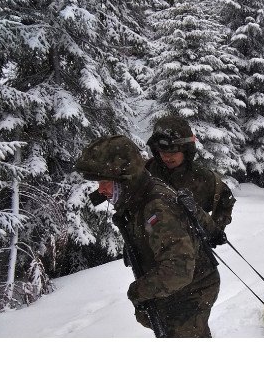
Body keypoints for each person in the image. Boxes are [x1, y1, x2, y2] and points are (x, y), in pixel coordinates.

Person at [75, 134, 220, 337]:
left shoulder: (157, 208)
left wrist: (138, 291)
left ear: (125, 179)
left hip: (192, 290)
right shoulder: (138, 194)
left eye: (106, 182)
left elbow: (178, 270)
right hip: (178, 287)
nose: (102, 190)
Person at [145, 116, 236, 248]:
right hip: (156, 254)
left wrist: (215, 229)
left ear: (186, 150)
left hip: (194, 256)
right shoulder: (147, 172)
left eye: (173, 151)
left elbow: (225, 199)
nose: (166, 157)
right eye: (161, 151)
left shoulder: (202, 177)